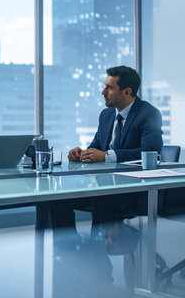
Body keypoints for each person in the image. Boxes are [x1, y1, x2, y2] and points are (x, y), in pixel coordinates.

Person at [51, 66, 163, 231]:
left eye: (109, 87)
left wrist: (106, 156)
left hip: (132, 190)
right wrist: (82, 154)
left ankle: (98, 254)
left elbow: (150, 152)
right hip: (103, 186)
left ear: (126, 92)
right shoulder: (106, 115)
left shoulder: (149, 114)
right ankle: (65, 251)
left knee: (102, 198)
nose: (103, 92)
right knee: (55, 198)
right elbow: (96, 147)